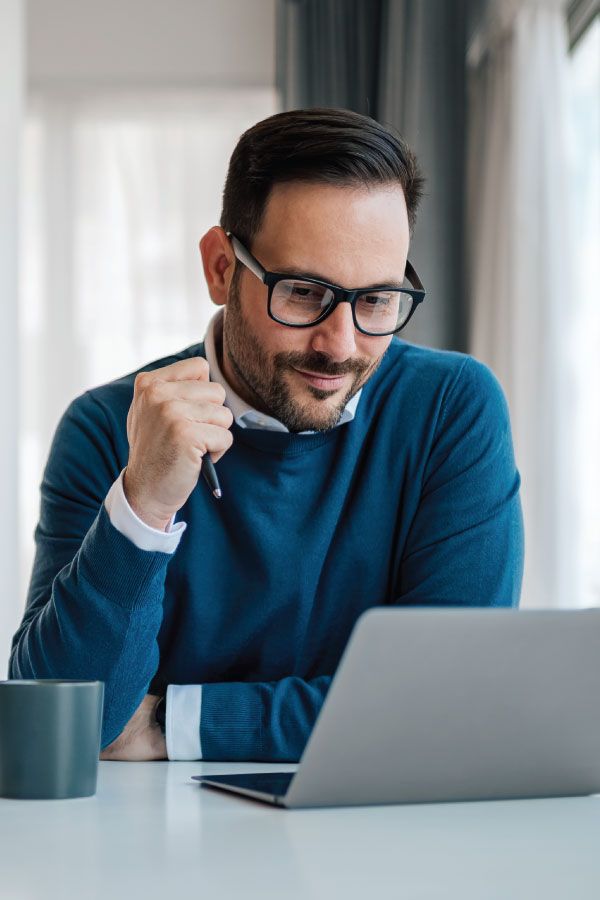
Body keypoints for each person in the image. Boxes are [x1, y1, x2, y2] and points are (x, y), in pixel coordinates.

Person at [10, 108, 524, 762]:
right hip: (152, 829)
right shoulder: (107, 428)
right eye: (305, 292)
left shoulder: (451, 408)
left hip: (381, 823)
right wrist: (144, 505)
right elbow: (57, 724)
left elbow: (454, 700)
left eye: (376, 300)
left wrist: (175, 723)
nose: (341, 346)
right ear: (221, 268)